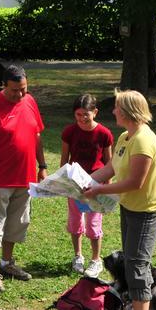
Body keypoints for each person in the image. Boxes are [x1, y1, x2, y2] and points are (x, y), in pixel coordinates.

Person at [84, 90, 156, 310]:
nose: (113, 111)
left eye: (117, 108)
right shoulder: (125, 136)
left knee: (138, 267)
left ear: (129, 111)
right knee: (132, 263)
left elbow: (134, 182)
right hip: (129, 209)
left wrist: (97, 190)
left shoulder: (143, 141)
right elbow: (113, 170)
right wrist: (84, 181)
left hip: (146, 213)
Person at [0, 64, 47, 293]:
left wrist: (42, 165)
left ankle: (7, 263)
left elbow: (36, 136)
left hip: (24, 178)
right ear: (3, 86)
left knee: (17, 224)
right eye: (15, 90)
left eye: (23, 89)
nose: (20, 94)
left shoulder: (30, 102)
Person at [60, 94, 113, 278]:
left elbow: (109, 163)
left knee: (93, 223)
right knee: (75, 221)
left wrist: (108, 189)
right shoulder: (69, 132)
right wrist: (64, 183)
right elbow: (64, 161)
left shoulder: (104, 134)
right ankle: (78, 256)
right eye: (78, 114)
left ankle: (95, 259)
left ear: (95, 112)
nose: (82, 118)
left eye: (86, 114)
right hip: (75, 185)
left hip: (96, 186)